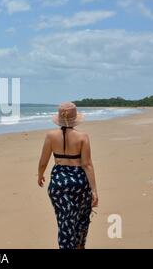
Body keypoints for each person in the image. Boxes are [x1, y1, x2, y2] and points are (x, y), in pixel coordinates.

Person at [37, 102, 98, 249]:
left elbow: (43, 162)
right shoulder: (83, 137)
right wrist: (94, 190)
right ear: (75, 118)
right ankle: (79, 246)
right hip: (79, 183)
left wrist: (40, 175)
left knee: (65, 220)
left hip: (58, 183)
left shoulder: (51, 136)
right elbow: (87, 164)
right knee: (80, 220)